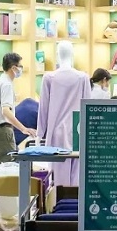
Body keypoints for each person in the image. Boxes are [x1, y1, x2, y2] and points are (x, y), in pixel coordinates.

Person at [37, 41, 91, 186]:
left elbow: (43, 108)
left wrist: (40, 133)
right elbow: (88, 107)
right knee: (77, 177)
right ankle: (74, 200)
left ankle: (59, 199)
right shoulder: (83, 77)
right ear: (72, 54)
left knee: (58, 178)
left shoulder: (49, 77)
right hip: (78, 130)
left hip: (57, 131)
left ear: (57, 55)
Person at [0, 52, 36, 171]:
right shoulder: (7, 85)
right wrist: (23, 128)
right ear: (13, 68)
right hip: (2, 131)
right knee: (8, 169)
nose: (21, 69)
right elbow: (6, 111)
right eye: (20, 66)